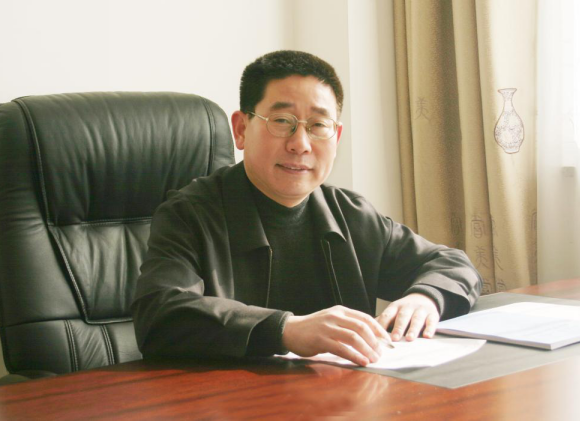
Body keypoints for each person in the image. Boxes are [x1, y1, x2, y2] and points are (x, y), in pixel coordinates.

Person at [131, 50, 482, 367]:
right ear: (241, 129)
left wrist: (426, 297)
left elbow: (452, 263)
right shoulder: (189, 214)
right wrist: (286, 329)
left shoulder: (351, 214)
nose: (300, 144)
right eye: (282, 121)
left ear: (336, 137)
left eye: (318, 126)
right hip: (228, 403)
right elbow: (161, 314)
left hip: (339, 398)